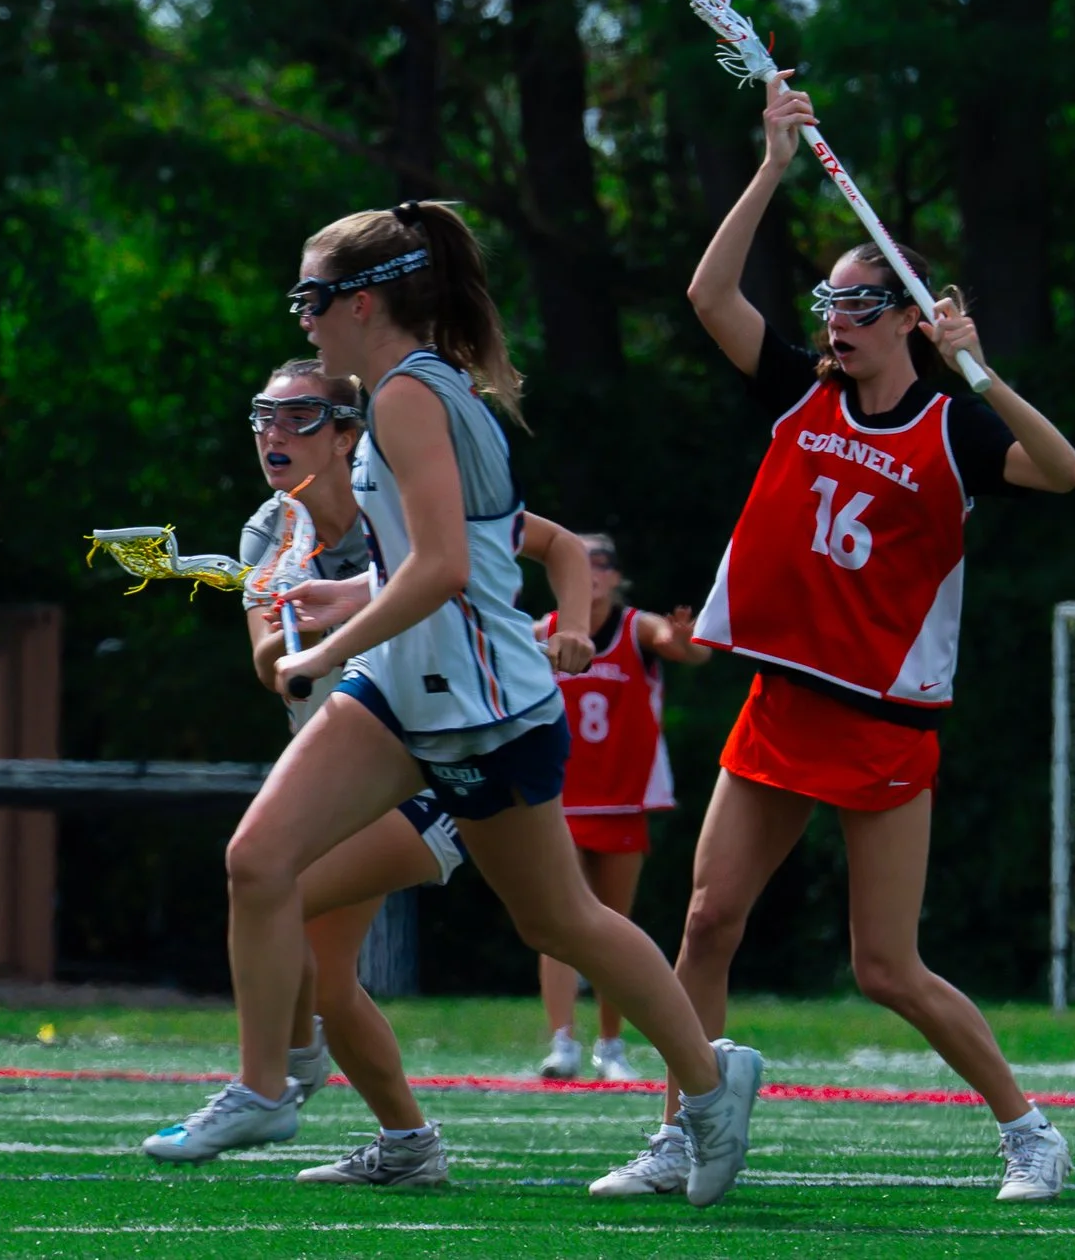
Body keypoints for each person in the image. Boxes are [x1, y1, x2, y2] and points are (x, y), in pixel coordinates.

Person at [590, 72, 1075, 1204]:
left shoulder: (954, 430)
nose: (836, 322)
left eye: (860, 306)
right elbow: (709, 294)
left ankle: (1027, 1132)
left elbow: (1060, 472)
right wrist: (768, 166)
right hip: (783, 700)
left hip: (880, 719)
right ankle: (683, 1130)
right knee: (706, 921)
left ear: (910, 315)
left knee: (884, 966)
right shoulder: (798, 390)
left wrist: (982, 370)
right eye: (827, 303)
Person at [241, 200, 763, 1209]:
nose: (301, 319)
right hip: (409, 696)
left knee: (560, 921)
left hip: (476, 705)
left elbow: (446, 568)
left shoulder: (405, 400)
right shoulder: (411, 393)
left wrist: (329, 648)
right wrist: (344, 601)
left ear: (362, 302)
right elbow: (447, 558)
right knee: (261, 862)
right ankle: (272, 1085)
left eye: (312, 297)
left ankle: (705, 1080)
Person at [143, 359, 598, 1190]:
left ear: (350, 431)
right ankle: (405, 1143)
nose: (273, 435)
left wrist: (576, 626)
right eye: (263, 418)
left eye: (301, 418)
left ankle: (281, 1067)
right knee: (324, 967)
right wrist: (290, 615)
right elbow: (268, 665)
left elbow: (557, 545)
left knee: (277, 886)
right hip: (349, 766)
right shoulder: (267, 531)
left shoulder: (400, 494)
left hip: (432, 761)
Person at [531, 534, 709, 1083]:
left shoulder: (636, 627)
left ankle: (612, 1046)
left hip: (623, 797)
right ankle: (562, 1043)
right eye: (582, 564)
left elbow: (690, 651)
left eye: (602, 564)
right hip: (559, 796)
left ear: (616, 576)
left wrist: (685, 639)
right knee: (557, 923)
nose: (593, 573)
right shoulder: (544, 630)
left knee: (612, 925)